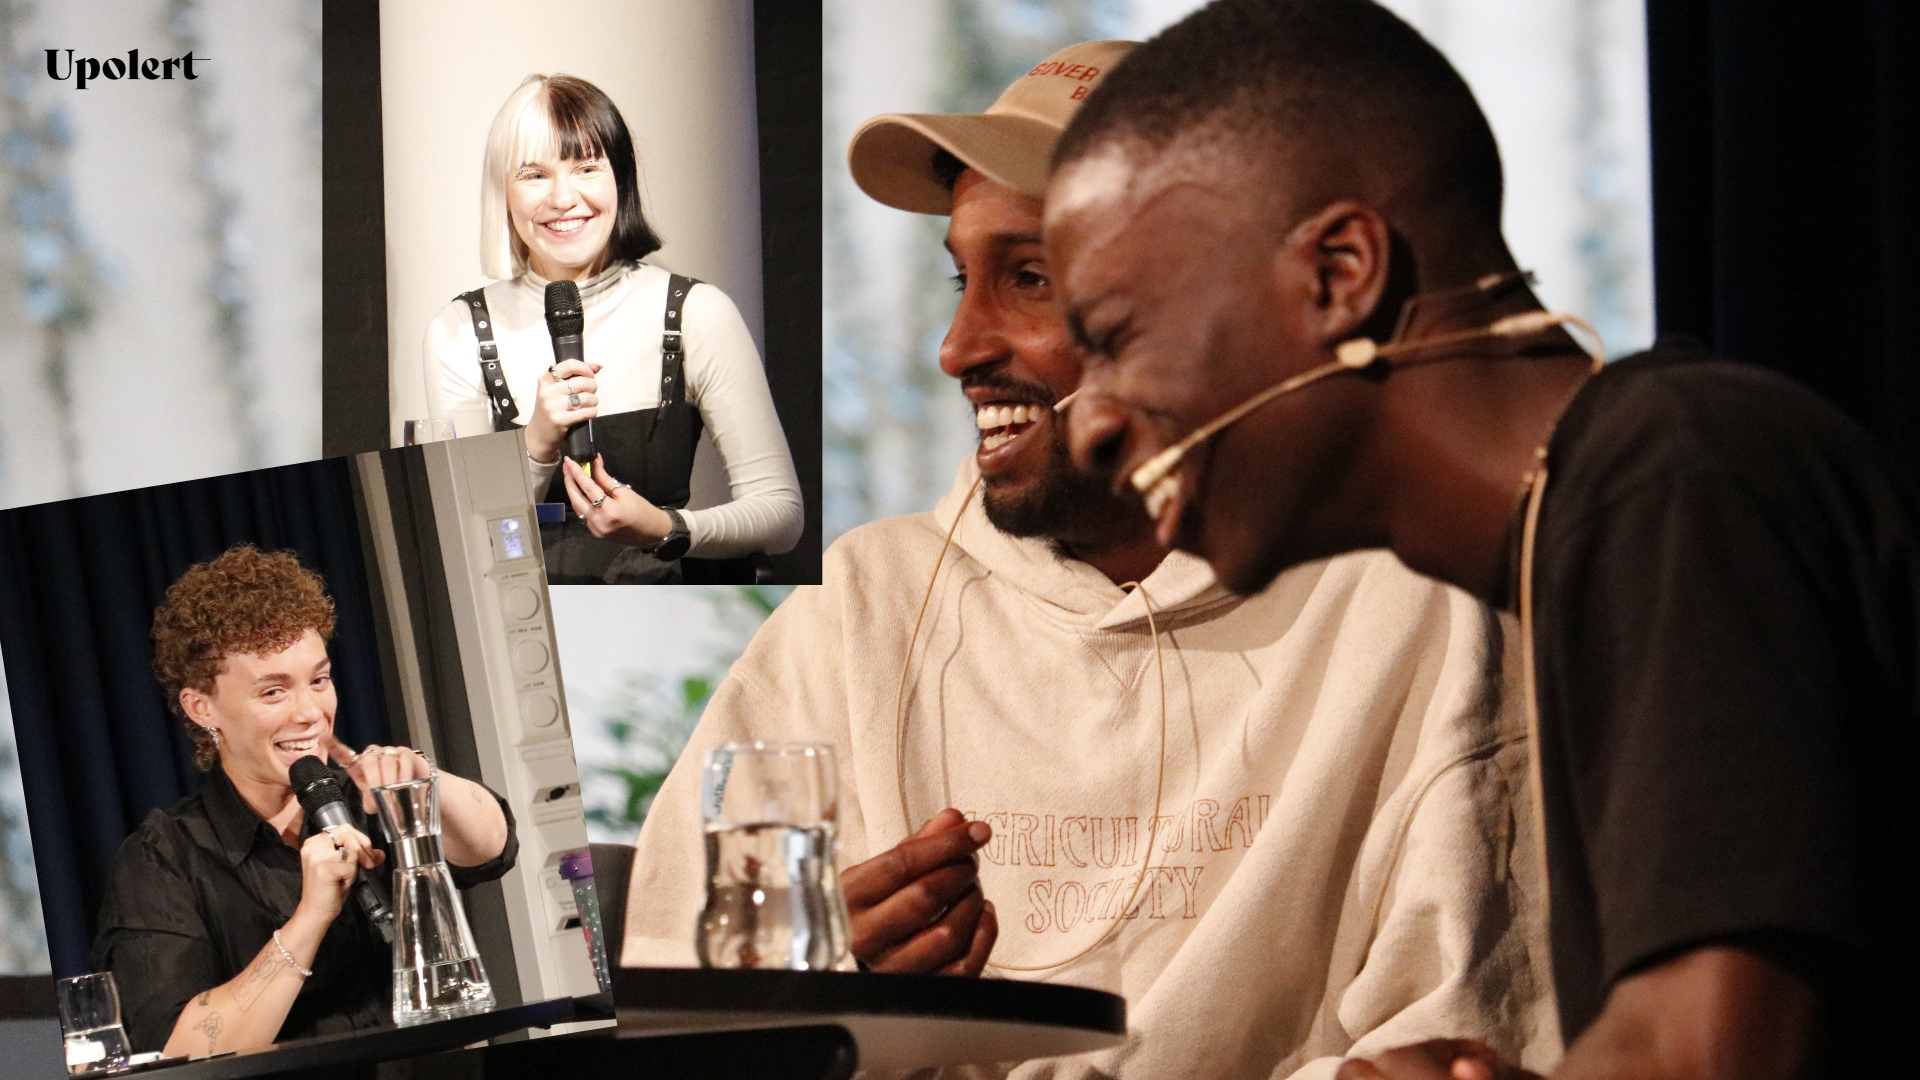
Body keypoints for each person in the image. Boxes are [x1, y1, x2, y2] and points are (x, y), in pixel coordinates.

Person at [623, 42, 1559, 1079]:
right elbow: (668, 1023)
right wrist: (810, 1017)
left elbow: (1462, 1036)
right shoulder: (862, 607)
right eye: (961, 279)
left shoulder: (1416, 598)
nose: (958, 347)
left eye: (1030, 278)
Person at [1046, 2, 1920, 1077]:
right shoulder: (1606, 510)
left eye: (1117, 337)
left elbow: (1711, 1057)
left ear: (1340, 274)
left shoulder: (1673, 478)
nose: (1086, 425)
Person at [91, 545, 518, 1056]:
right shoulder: (164, 859)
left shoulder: (365, 798)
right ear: (202, 707)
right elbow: (177, 1050)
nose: (310, 711)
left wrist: (424, 779)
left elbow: (493, 848)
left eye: (319, 680)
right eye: (273, 692)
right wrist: (310, 918)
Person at [423, 73, 803, 584]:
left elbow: (781, 516)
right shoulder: (459, 331)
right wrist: (536, 444)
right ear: (503, 192)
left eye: (586, 168)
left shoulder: (696, 312)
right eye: (534, 175)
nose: (563, 198)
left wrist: (665, 528)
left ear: (620, 178)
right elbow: (463, 538)